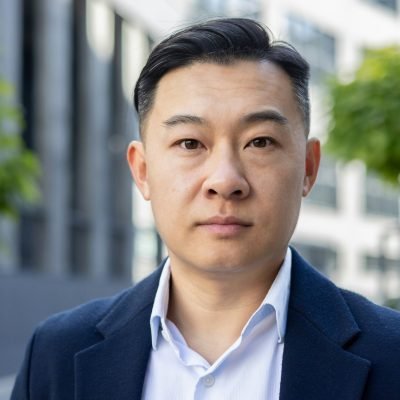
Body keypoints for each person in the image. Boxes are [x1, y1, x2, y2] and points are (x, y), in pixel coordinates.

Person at [11, 17, 400, 400]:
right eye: (190, 143)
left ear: (308, 168)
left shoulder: (391, 354)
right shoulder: (56, 354)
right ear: (142, 171)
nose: (225, 180)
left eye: (260, 142)